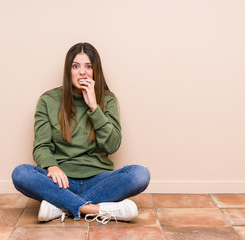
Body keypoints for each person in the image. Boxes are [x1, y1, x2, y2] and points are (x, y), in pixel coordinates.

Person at [11, 42, 150, 224]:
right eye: (76, 66)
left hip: (99, 179)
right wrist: (52, 167)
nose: (82, 72)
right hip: (61, 181)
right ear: (68, 71)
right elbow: (41, 146)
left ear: (95, 71)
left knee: (140, 175)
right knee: (21, 173)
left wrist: (94, 107)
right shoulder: (48, 100)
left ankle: (62, 205)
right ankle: (95, 209)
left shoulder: (107, 100)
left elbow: (112, 145)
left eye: (88, 66)